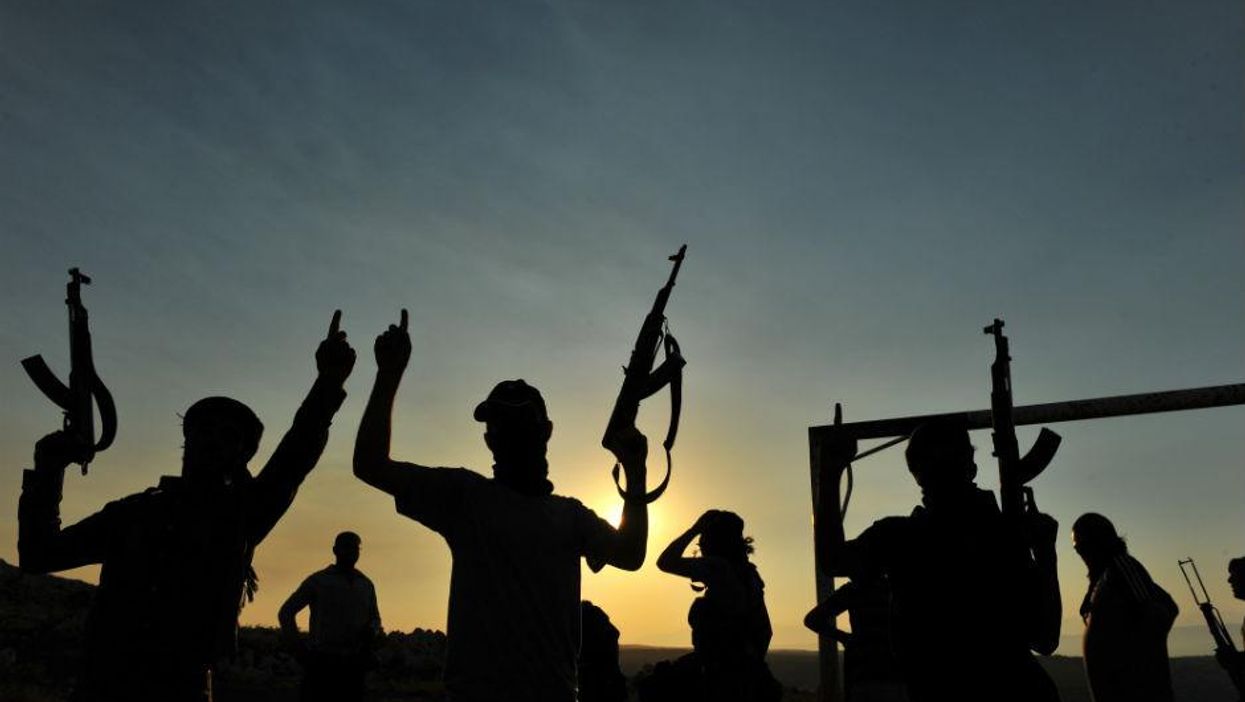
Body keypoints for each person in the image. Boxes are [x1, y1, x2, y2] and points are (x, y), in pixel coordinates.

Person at [18, 312, 356, 702]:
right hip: (102, 685)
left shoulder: (241, 515)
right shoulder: (135, 513)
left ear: (243, 454)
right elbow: (38, 554)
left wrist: (328, 384)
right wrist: (48, 469)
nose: (212, 441)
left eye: (228, 436)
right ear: (186, 439)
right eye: (203, 430)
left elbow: (295, 454)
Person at [352, 310, 650, 702]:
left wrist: (635, 470)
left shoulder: (568, 515)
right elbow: (370, 465)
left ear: (545, 433)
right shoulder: (465, 495)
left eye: (516, 424)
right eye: (498, 426)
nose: (503, 435)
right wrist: (388, 374)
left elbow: (630, 554)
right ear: (490, 439)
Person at [817, 417, 1062, 702]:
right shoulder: (1000, 534)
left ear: (916, 472)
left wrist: (831, 471)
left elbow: (832, 560)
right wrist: (1045, 552)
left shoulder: (901, 537)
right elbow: (1045, 637)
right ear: (970, 464)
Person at [643, 510, 780, 702]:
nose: (701, 545)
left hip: (722, 673)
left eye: (703, 539)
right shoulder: (751, 575)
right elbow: (766, 631)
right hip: (743, 668)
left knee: (654, 688)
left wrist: (693, 529)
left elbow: (665, 562)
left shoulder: (718, 568)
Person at [1071, 513, 1177, 702]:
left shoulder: (1123, 568)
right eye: (1077, 548)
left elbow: (1160, 612)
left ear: (1101, 542)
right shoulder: (1101, 579)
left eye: (1083, 546)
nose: (1081, 553)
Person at [279, 531, 382, 702]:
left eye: (355, 548)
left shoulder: (365, 584)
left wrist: (372, 631)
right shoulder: (319, 581)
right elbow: (286, 612)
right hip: (322, 662)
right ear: (335, 550)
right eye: (346, 547)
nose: (351, 552)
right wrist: (299, 649)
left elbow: (375, 618)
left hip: (353, 666)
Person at [803, 575, 907, 702]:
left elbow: (812, 620)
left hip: (865, 675)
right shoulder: (893, 588)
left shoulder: (854, 590)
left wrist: (845, 638)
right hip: (893, 675)